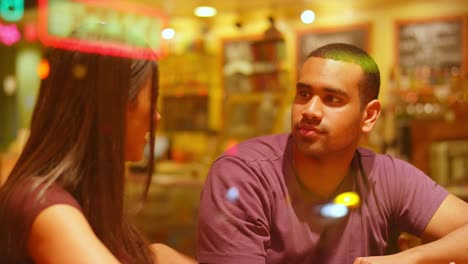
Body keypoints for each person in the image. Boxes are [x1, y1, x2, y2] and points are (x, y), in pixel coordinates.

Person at [196, 43, 468, 264]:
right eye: (303, 94)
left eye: (332, 99)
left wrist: (412, 258)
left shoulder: (387, 176)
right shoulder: (243, 174)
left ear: (369, 116)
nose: (310, 110)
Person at [0, 47, 196, 263]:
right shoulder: (46, 208)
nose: (156, 116)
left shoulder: (81, 198)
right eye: (152, 98)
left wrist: (154, 254)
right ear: (113, 104)